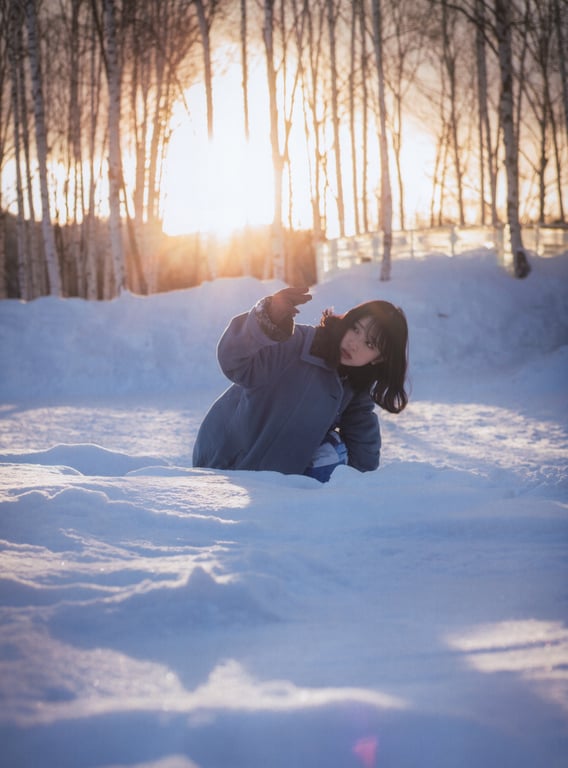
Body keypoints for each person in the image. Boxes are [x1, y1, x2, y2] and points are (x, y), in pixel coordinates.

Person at [192, 286, 409, 482]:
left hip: (273, 483)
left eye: (369, 343)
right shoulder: (298, 344)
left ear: (379, 358)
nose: (354, 343)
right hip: (224, 461)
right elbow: (234, 361)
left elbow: (362, 442)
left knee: (332, 451)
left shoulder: (353, 387)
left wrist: (357, 490)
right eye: (355, 329)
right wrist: (266, 319)